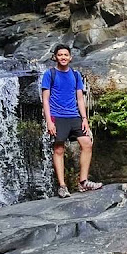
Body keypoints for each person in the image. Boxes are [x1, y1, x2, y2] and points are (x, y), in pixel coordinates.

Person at [41, 44, 103, 197]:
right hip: (57, 116)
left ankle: (83, 182)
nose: (63, 57)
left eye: (65, 55)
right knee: (59, 149)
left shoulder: (75, 75)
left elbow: (80, 99)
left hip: (74, 115)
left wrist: (84, 119)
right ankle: (62, 186)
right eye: (60, 55)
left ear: (70, 57)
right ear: (55, 57)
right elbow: (45, 99)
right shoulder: (50, 74)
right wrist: (49, 121)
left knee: (87, 143)